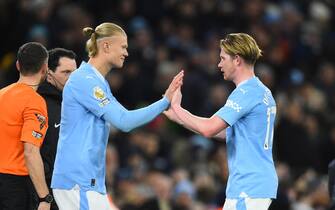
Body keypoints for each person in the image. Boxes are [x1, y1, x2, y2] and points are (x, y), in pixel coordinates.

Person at [51, 22, 183, 210]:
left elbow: (124, 117)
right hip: (77, 182)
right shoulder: (84, 80)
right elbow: (124, 121)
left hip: (89, 183)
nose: (126, 53)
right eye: (123, 47)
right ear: (106, 46)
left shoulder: (98, 82)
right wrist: (165, 101)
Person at [165, 33, 278, 210]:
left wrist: (178, 107)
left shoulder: (245, 93)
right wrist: (180, 119)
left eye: (223, 58)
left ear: (237, 60)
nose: (219, 64)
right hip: (253, 185)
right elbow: (226, 132)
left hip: (248, 187)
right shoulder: (261, 91)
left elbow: (208, 129)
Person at [0, 42, 52, 210]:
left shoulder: (1, 94)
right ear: (44, 68)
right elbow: (30, 151)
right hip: (15, 184)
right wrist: (45, 197)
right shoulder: (35, 102)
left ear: (17, 65)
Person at [36, 48, 77, 210]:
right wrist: (44, 196)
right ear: (49, 73)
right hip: (48, 192)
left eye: (75, 72)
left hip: (71, 189)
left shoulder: (75, 102)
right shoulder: (39, 103)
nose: (72, 78)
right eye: (66, 72)